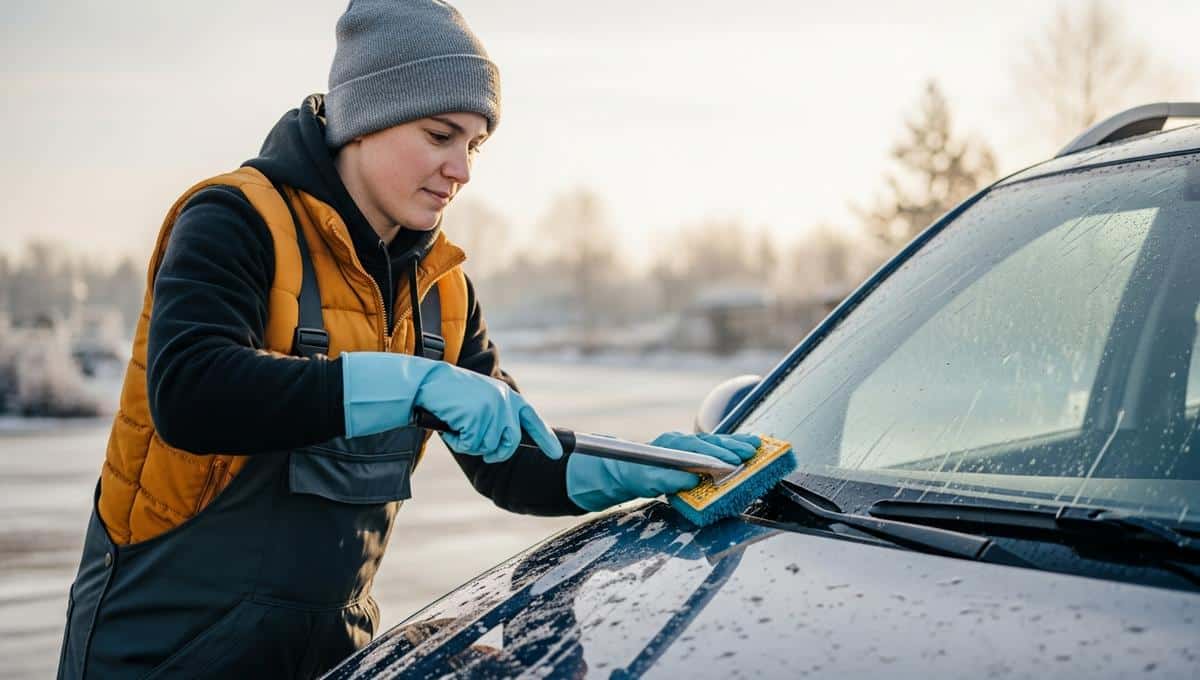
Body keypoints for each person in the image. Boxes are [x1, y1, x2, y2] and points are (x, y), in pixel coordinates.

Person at [56, 1, 759, 678]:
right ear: (365, 118)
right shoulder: (236, 220)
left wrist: (640, 467)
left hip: (333, 656)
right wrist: (411, 384)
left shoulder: (441, 289)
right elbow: (192, 394)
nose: (463, 169)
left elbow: (511, 463)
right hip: (163, 653)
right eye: (439, 135)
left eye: (475, 145)